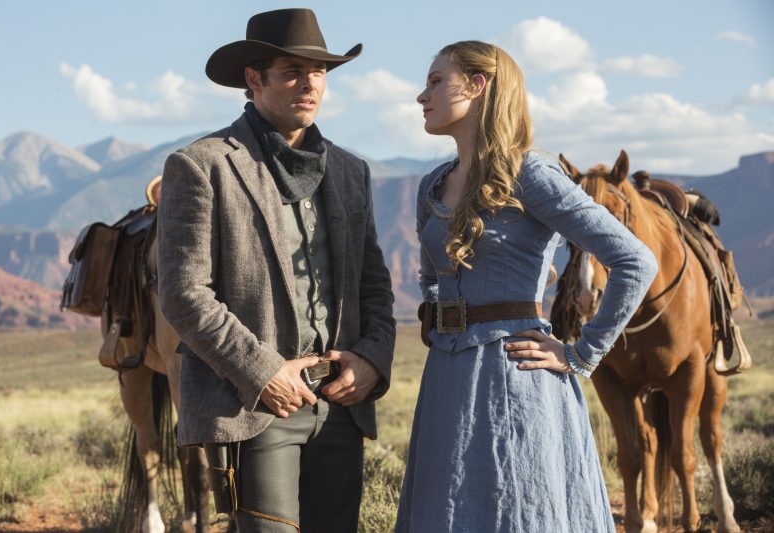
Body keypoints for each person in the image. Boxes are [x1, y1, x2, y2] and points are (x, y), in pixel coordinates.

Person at [395, 41, 658, 532]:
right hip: (446, 377)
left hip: (514, 373)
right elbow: (432, 279)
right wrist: (440, 315)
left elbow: (635, 260)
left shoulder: (530, 174)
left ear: (477, 86)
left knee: (518, 510)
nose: (421, 95)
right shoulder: (432, 183)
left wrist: (581, 354)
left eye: (436, 81)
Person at [156, 9, 395, 533]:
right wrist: (261, 370)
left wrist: (372, 360)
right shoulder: (203, 164)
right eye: (292, 70)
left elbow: (373, 284)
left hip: (340, 401)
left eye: (320, 72)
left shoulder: (352, 171)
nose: (309, 84)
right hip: (255, 407)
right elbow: (182, 291)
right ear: (253, 78)